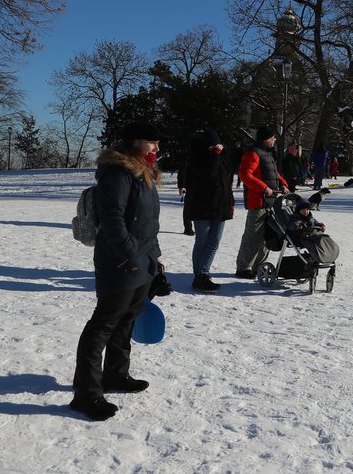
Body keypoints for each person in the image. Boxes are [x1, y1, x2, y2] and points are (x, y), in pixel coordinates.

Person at [71, 121, 164, 421]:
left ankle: (115, 375)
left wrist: (155, 257)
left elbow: (148, 220)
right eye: (153, 142)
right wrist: (128, 256)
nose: (157, 148)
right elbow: (112, 218)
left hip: (141, 260)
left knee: (127, 319)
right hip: (120, 261)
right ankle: (86, 393)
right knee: (103, 324)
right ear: (137, 141)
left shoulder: (144, 171)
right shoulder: (118, 171)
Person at [234, 126, 289, 279]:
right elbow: (245, 175)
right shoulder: (253, 153)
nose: (275, 140)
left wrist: (283, 183)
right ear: (266, 139)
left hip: (270, 202)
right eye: (273, 137)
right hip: (257, 202)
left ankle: (258, 266)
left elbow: (273, 173)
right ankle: (243, 267)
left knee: (268, 236)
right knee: (253, 236)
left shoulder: (267, 153)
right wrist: (264, 188)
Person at [185, 129, 234, 292]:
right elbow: (209, 175)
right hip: (202, 207)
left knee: (214, 242)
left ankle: (202, 274)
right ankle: (200, 275)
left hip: (220, 206)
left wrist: (230, 202)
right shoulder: (197, 159)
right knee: (202, 241)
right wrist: (215, 156)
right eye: (212, 146)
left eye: (217, 145)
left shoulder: (221, 158)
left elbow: (226, 182)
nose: (216, 148)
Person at [177, 156, 194, 236]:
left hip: (200, 186)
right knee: (188, 207)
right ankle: (188, 228)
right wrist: (182, 185)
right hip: (190, 186)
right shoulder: (190, 156)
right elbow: (182, 172)